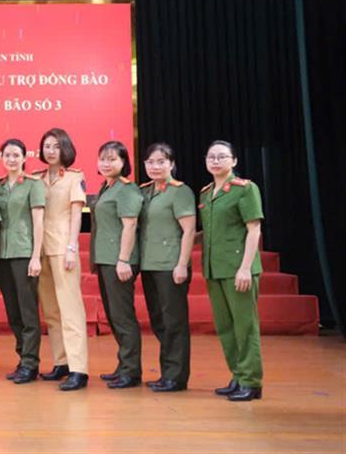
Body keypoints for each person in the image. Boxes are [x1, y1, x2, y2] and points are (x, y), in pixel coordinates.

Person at [200, 140, 264, 402]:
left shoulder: (245, 189)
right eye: (211, 156)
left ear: (234, 161)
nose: (216, 161)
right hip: (214, 269)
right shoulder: (205, 193)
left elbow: (254, 230)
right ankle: (237, 375)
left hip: (238, 268)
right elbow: (209, 232)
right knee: (225, 327)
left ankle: (251, 381)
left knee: (245, 326)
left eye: (222, 157)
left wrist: (246, 268)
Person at [34, 127, 89, 391]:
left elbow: (77, 214)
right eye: (46, 146)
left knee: (70, 310)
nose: (51, 151)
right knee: (51, 310)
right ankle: (62, 361)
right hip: (41, 249)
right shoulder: (37, 178)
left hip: (62, 248)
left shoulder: (74, 178)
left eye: (56, 146)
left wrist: (72, 247)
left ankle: (79, 368)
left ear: (65, 148)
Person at [138, 142, 195, 393]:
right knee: (159, 321)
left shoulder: (180, 192)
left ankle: (176, 377)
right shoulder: (145, 191)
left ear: (171, 164)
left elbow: (189, 230)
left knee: (175, 322)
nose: (155, 166)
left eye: (161, 161)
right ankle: (167, 373)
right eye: (150, 162)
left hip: (171, 266)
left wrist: (182, 264)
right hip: (149, 265)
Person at [0, 139, 45, 384]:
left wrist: (36, 256)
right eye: (7, 155)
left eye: (16, 155)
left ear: (24, 157)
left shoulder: (33, 185)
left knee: (28, 312)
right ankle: (22, 357)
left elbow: (38, 222)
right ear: (1, 158)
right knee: (13, 311)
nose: (11, 159)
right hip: (2, 255)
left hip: (24, 254)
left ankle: (31, 363)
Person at [91, 141, 143, 389]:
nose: (106, 163)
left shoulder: (127, 189)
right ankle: (124, 364)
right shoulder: (106, 187)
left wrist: (123, 259)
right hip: (105, 259)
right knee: (114, 315)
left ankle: (131, 371)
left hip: (118, 260)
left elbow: (130, 225)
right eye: (102, 158)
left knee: (123, 316)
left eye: (112, 159)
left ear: (124, 162)